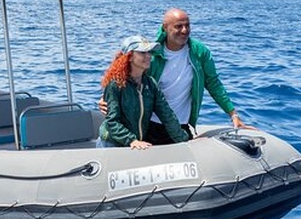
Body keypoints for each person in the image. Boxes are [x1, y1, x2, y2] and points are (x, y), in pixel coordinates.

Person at [98, 8, 247, 143]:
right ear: (165, 28)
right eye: (178, 26)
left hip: (178, 124)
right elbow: (125, 77)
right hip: (149, 125)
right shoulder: (153, 54)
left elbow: (213, 84)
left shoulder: (200, 52)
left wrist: (232, 114)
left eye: (187, 25)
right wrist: (107, 100)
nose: (184, 30)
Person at [98, 35, 190, 149]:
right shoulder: (115, 85)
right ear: (129, 57)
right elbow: (112, 122)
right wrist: (131, 140)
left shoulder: (150, 84)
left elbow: (167, 115)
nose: (148, 56)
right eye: (142, 53)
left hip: (135, 143)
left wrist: (184, 139)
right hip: (112, 143)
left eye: (149, 52)